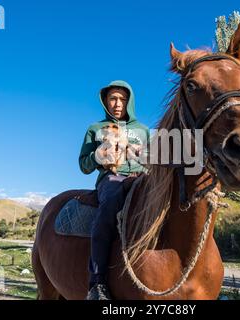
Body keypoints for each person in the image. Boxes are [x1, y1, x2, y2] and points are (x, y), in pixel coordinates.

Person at [79, 80, 149, 300]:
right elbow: (83, 165)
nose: (118, 103)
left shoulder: (144, 130)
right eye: (113, 98)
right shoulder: (94, 129)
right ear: (105, 101)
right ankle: (97, 284)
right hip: (111, 178)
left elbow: (156, 160)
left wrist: (141, 154)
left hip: (142, 177)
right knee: (110, 203)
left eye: (123, 98)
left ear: (130, 101)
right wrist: (97, 155)